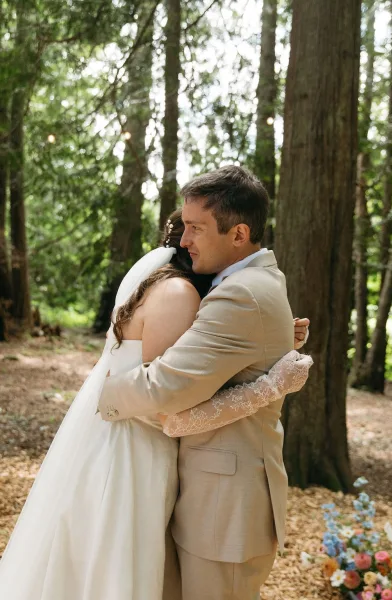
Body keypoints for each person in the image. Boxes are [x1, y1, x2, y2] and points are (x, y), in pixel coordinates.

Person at [0, 206, 312, 599]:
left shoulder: (168, 288)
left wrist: (273, 338)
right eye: (192, 232)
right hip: (136, 452)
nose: (191, 242)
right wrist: (270, 386)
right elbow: (170, 411)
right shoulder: (179, 295)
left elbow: (209, 360)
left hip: (129, 446)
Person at [98, 165, 312, 600]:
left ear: (238, 235)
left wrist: (101, 394)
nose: (183, 239)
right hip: (216, 502)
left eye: (196, 227)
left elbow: (164, 394)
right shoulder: (250, 282)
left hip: (225, 515)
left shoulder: (241, 293)